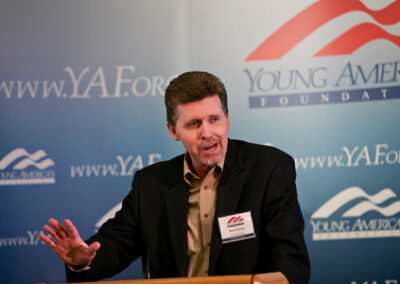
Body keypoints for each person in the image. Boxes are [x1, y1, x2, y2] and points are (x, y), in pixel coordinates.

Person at [39, 71, 310, 283]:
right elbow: (114, 245)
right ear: (173, 130)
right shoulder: (151, 184)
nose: (207, 133)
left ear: (227, 120)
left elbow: (289, 258)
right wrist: (81, 260)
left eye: (214, 119)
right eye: (193, 124)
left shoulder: (269, 168)